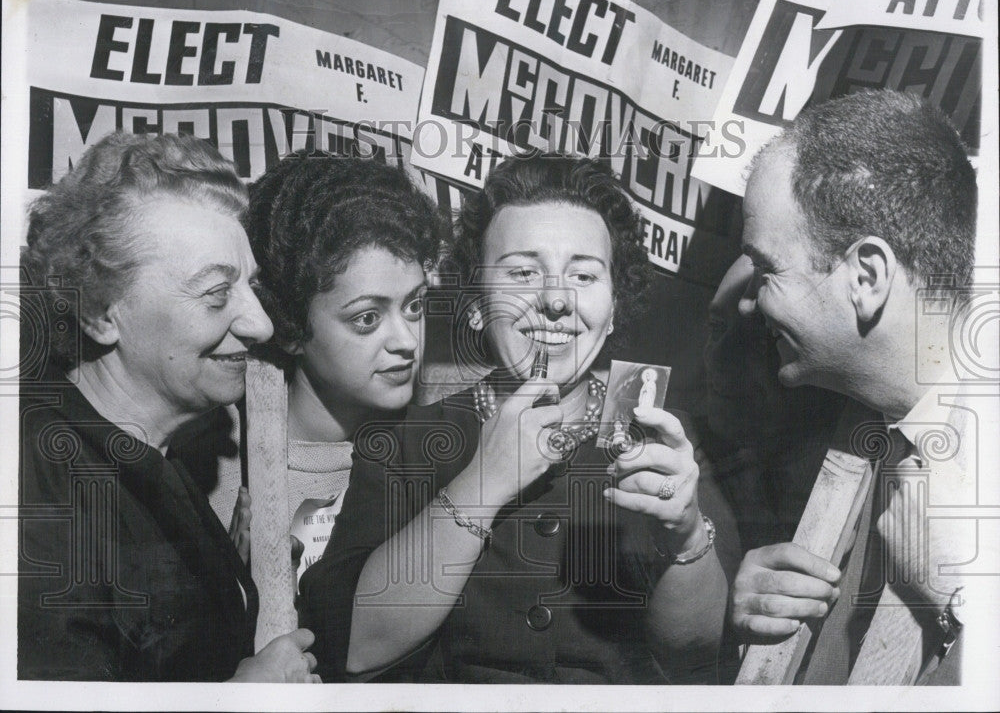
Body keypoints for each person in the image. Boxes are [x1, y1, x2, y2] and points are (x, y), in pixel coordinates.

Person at [300, 154, 740, 683]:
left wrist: (685, 532)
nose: (555, 299)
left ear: (614, 304)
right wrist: (486, 481)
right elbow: (353, 648)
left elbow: (696, 657)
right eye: (523, 272)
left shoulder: (671, 443)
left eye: (583, 274)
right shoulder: (405, 444)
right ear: (478, 302)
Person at [18, 131, 320, 682]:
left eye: (249, 286)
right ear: (101, 312)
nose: (261, 324)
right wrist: (242, 696)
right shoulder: (32, 485)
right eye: (215, 294)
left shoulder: (154, 453)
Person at [730, 89, 982, 684]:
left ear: (866, 277)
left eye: (766, 270)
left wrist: (964, 598)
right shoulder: (859, 431)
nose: (747, 303)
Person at [241, 152, 442, 580]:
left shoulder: (434, 456)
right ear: (290, 327)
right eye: (367, 318)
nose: (406, 342)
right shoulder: (217, 475)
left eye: (414, 306)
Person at [699, 255, 847, 552]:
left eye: (759, 337)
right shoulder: (682, 470)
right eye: (717, 327)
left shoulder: (848, 493)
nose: (718, 358)